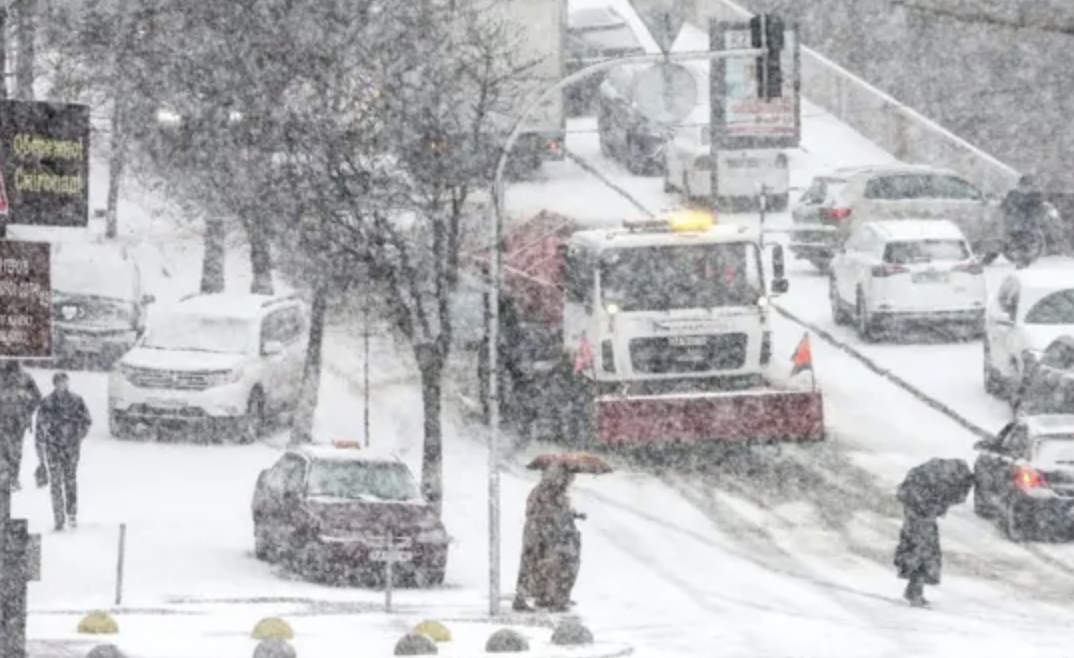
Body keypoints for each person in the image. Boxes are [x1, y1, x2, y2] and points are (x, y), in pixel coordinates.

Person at [893, 459, 974, 607]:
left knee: (923, 549)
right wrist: (933, 507)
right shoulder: (952, 478)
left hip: (917, 505)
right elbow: (945, 497)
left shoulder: (947, 472)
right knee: (923, 551)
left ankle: (914, 589)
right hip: (920, 507)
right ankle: (915, 592)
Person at [513, 463, 583, 612]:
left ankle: (548, 597)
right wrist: (562, 514)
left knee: (544, 567)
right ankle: (526, 598)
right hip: (540, 535)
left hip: (544, 535)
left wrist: (572, 514)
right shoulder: (547, 492)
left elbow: (557, 512)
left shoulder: (554, 492)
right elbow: (545, 512)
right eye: (568, 478)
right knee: (535, 566)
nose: (570, 482)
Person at [36, 372, 92, 531]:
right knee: (55, 483)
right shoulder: (47, 402)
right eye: (59, 382)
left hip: (71, 448)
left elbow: (87, 421)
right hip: (53, 448)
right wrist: (41, 452)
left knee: (70, 481)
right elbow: (40, 427)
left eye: (64, 382)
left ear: (67, 383)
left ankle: (72, 514)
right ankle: (58, 517)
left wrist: (78, 436)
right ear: (55, 384)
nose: (62, 385)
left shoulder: (76, 400)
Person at [0, 359, 42, 491]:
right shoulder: (23, 376)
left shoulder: (25, 377)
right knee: (9, 449)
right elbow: (37, 397)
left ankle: (11, 477)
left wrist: (27, 410)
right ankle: (7, 477)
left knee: (14, 450)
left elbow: (37, 397)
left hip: (17, 420)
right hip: (7, 418)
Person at [1000, 174, 1049, 266]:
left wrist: (1029, 217)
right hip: (1014, 225)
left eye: (1027, 185)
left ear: (1032, 186)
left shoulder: (1036, 196)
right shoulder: (1013, 194)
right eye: (1022, 185)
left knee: (1028, 243)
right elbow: (1004, 206)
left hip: (1028, 226)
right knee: (1015, 243)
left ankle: (1025, 261)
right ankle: (1020, 259)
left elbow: (1038, 210)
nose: (1024, 187)